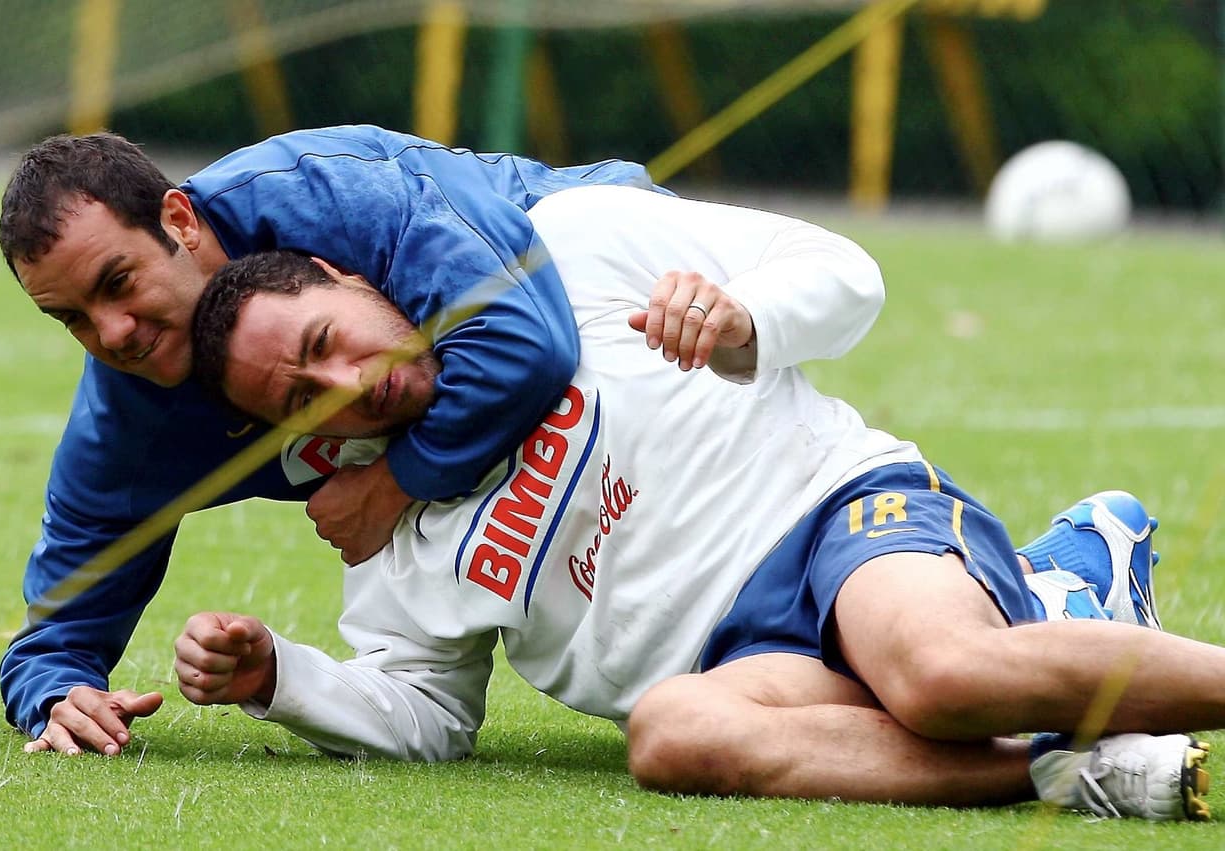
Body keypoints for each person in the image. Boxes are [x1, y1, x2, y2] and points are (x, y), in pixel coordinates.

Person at [177, 186, 1213, 821]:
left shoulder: (560, 246)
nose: (347, 385)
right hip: (742, 666)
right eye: (303, 399)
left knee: (938, 673)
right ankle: (1062, 746)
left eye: (326, 341)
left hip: (836, 514)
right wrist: (281, 675)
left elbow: (843, 271)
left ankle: (1041, 619)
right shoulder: (377, 520)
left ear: (342, 275)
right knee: (672, 735)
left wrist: (743, 315)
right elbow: (429, 712)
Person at [0, 125, 670, 756]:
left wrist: (396, 480)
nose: (112, 333)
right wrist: (57, 692)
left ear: (179, 220)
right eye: (73, 318)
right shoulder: (128, 420)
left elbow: (520, 344)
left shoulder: (330, 195)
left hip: (644, 317)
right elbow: (57, 625)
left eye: (118, 283)